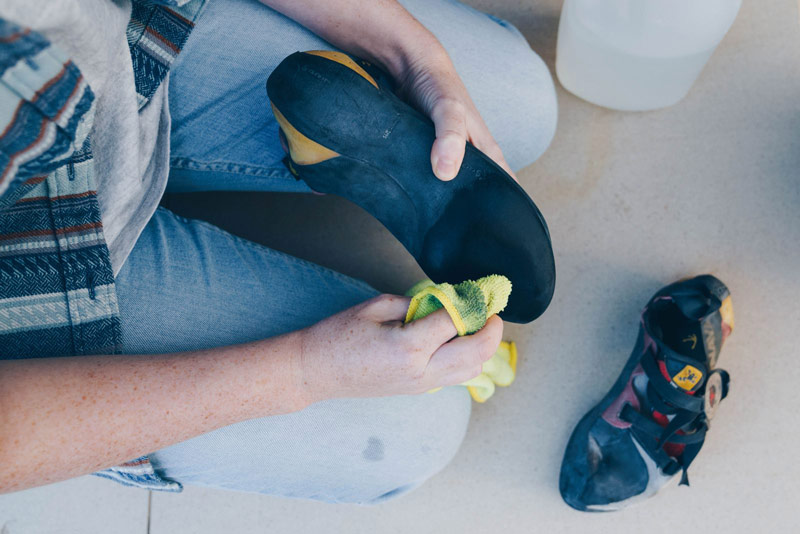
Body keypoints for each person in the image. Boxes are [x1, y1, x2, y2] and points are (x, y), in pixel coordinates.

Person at [0, 0, 556, 502]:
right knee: (418, 427)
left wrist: (416, 59)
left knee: (521, 106)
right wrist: (303, 370)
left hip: (108, 45)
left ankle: (312, 147)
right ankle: (309, 151)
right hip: (29, 286)